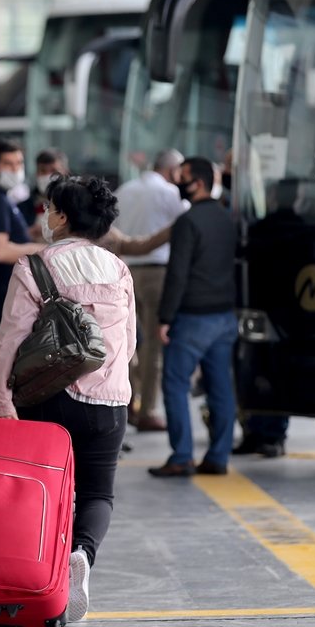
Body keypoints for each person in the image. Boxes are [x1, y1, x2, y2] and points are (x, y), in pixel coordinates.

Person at [0, 175, 135, 623]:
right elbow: (128, 345)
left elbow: (11, 341)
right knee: (98, 494)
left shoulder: (36, 266)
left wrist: (1, 399)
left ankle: (44, 581)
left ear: (63, 216)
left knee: (45, 493)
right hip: (110, 402)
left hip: (50, 399)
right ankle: (82, 555)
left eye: (49, 208)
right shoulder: (118, 268)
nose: (45, 216)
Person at [149, 157, 238, 478]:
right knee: (220, 387)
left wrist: (165, 317)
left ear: (197, 182)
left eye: (182, 177)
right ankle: (218, 456)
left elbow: (178, 274)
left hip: (192, 318)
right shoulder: (227, 218)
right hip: (224, 317)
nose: (177, 183)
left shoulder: (188, 222)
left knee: (174, 383)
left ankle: (182, 455)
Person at [112, 148, 187, 432]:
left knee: (130, 344)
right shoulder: (170, 193)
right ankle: (149, 410)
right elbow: (187, 223)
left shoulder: (125, 190)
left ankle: (130, 403)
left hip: (126, 271)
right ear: (171, 171)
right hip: (157, 273)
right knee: (154, 344)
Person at [0, 140, 46, 414]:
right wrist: (44, 249)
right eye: (8, 164)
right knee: (2, 367)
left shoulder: (3, 198)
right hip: (1, 294)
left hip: (4, 291)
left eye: (18, 163)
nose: (15, 169)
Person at [21, 148, 68, 229]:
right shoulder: (23, 207)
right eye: (43, 171)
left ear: (65, 172)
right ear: (36, 173)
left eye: (54, 170)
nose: (48, 176)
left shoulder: (75, 204)